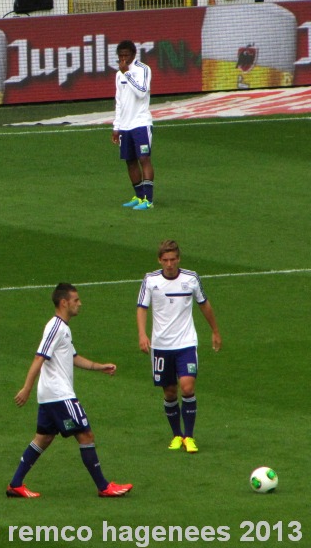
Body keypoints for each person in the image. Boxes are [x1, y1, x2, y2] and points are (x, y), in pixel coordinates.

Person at [6, 283, 133, 499]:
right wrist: (26, 387)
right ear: (64, 302)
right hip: (59, 395)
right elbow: (39, 357)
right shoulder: (55, 327)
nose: (79, 304)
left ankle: (15, 484)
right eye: (76, 300)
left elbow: (73, 357)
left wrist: (99, 366)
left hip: (50, 396)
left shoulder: (63, 328)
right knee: (85, 434)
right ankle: (104, 486)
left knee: (43, 439)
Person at [136, 240, 222, 454]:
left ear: (179, 259)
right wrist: (142, 334)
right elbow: (141, 308)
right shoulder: (150, 280)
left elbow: (204, 304)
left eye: (173, 259)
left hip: (186, 343)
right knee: (169, 391)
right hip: (161, 345)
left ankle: (190, 437)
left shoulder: (191, 279)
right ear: (159, 260)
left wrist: (215, 331)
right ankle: (177, 435)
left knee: (187, 387)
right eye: (165, 260)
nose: (169, 264)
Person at [112, 40, 154, 211]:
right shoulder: (118, 74)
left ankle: (148, 200)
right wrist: (116, 126)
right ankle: (138, 196)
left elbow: (142, 92)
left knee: (143, 159)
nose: (123, 59)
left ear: (134, 55)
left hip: (141, 123)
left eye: (126, 56)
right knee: (130, 161)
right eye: (120, 56)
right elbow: (119, 102)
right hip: (125, 126)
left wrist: (127, 74)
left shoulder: (143, 69)